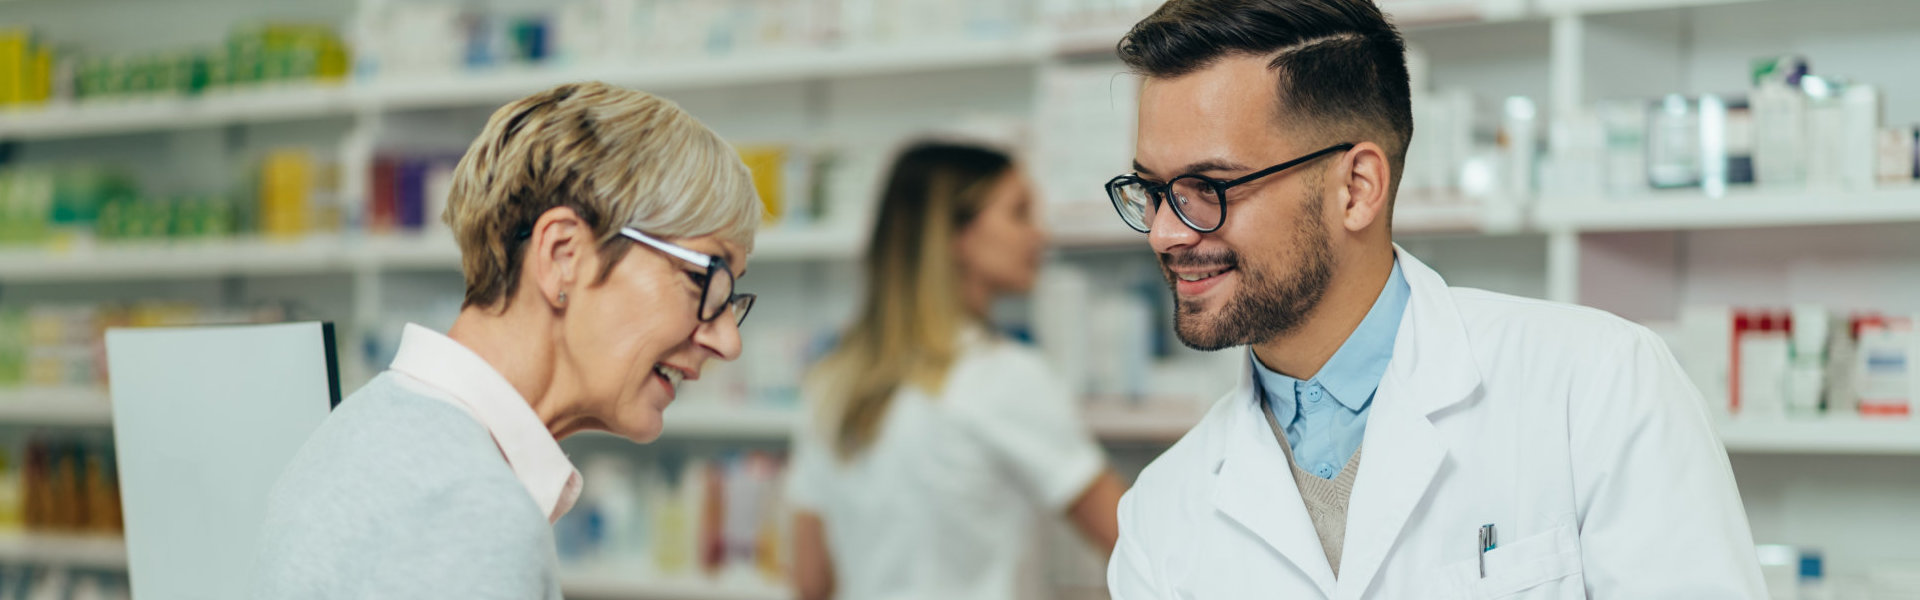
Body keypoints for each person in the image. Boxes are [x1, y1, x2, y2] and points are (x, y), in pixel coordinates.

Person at [1101, 1, 1766, 598]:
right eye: (1152, 190)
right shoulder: (1163, 512)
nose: (1164, 232)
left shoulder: (1597, 386)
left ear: (1357, 187)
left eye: (1207, 187)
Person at [250, 82, 761, 599]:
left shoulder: (370, 432)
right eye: (705, 279)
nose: (727, 340)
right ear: (564, 254)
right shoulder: (467, 507)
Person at [786, 141, 1126, 600]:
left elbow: (810, 580)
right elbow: (1134, 541)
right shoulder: (1004, 377)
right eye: (1019, 213)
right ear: (955, 235)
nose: (1039, 235)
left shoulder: (832, 379)